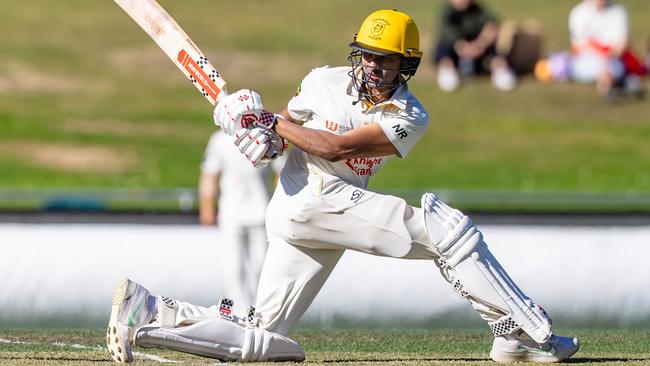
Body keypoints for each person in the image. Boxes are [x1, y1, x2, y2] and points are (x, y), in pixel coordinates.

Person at [106, 9, 579, 363]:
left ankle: (148, 315)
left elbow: (335, 148)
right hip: (303, 201)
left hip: (323, 210)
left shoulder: (409, 115)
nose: (373, 66)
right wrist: (254, 133)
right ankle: (519, 333)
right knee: (444, 229)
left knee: (264, 339)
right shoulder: (320, 81)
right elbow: (280, 139)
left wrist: (268, 120)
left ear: (406, 64)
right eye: (367, 56)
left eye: (385, 60)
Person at [198, 130, 284, 313]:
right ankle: (240, 314)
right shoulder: (220, 140)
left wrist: (280, 205)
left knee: (263, 265)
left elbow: (281, 171)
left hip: (261, 212)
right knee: (234, 267)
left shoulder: (265, 136)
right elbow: (209, 173)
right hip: (231, 213)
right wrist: (207, 207)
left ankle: (264, 313)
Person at [536, 0, 646, 101]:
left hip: (613, 58)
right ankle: (618, 84)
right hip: (587, 59)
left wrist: (607, 60)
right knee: (601, 68)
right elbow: (580, 45)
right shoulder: (579, 12)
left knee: (616, 67)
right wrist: (603, 62)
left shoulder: (618, 12)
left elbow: (621, 44)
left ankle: (610, 86)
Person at [434, 0, 517, 92]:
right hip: (456, 51)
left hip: (478, 50)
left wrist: (480, 44)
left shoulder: (477, 10)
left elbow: (492, 25)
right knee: (443, 45)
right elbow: (446, 32)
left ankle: (500, 69)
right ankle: (447, 69)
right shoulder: (447, 12)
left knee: (493, 49)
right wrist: (462, 46)